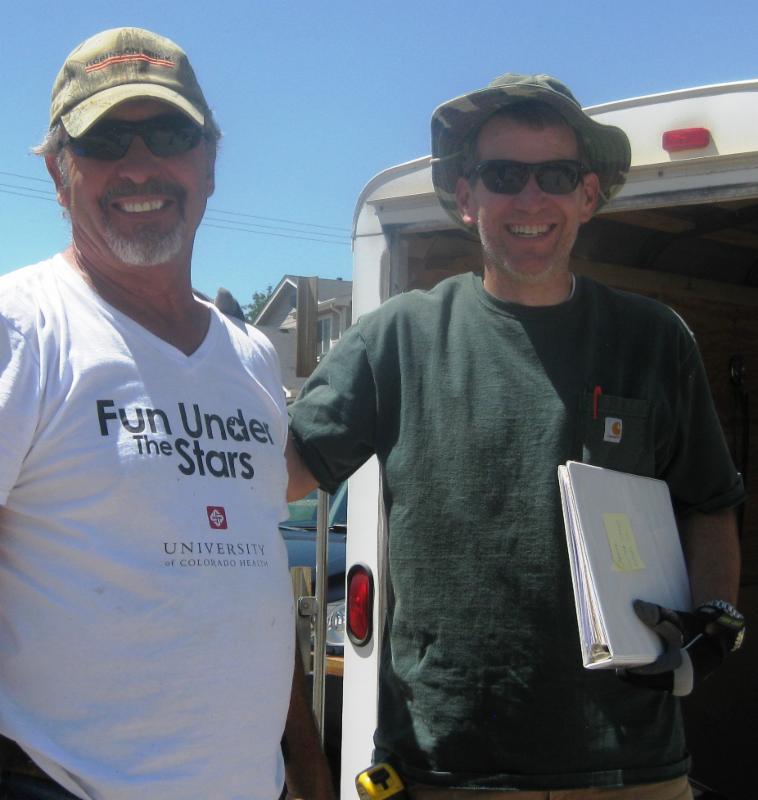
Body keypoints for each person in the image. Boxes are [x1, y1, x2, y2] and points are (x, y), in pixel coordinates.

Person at [286, 74, 746, 798]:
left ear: (587, 195)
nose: (531, 199)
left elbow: (710, 505)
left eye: (555, 176)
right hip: (447, 767)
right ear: (466, 197)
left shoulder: (654, 340)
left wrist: (712, 622)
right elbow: (275, 476)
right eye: (504, 176)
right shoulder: (396, 340)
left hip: (632, 767)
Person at [0, 27, 332, 800]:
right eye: (105, 140)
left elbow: (249, 582)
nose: (140, 164)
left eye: (171, 134)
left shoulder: (250, 358)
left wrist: (310, 768)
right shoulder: (23, 330)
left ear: (210, 162)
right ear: (58, 172)